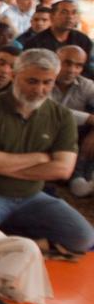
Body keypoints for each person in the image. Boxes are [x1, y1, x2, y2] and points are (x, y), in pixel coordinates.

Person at [0, 49, 94, 256]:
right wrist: (39, 158)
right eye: (32, 81)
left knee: (83, 238)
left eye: (48, 82)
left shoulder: (62, 116)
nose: (40, 89)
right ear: (14, 76)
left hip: (30, 196)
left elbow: (63, 169)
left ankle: (12, 240)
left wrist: (1, 166)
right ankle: (7, 237)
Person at [52, 46, 94, 196]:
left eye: (78, 65)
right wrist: (89, 118)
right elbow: (48, 111)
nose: (72, 70)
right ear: (55, 62)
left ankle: (83, 178)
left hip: (76, 140)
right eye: (67, 63)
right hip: (45, 137)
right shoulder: (43, 80)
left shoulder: (86, 85)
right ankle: (79, 181)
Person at [23, 0, 93, 58]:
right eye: (64, 12)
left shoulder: (83, 41)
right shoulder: (35, 43)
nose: (70, 17)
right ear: (52, 16)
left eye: (74, 13)